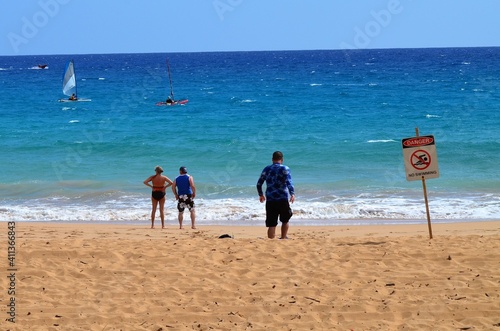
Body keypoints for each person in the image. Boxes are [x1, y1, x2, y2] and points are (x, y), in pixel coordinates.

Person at [256, 151, 295, 239]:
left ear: (272, 159)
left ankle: (271, 241)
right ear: (282, 159)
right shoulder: (285, 168)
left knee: (271, 223)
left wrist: (261, 194)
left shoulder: (267, 169)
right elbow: (289, 183)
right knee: (285, 220)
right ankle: (283, 237)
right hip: (282, 198)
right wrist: (292, 194)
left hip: (270, 199)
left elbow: (259, 184)